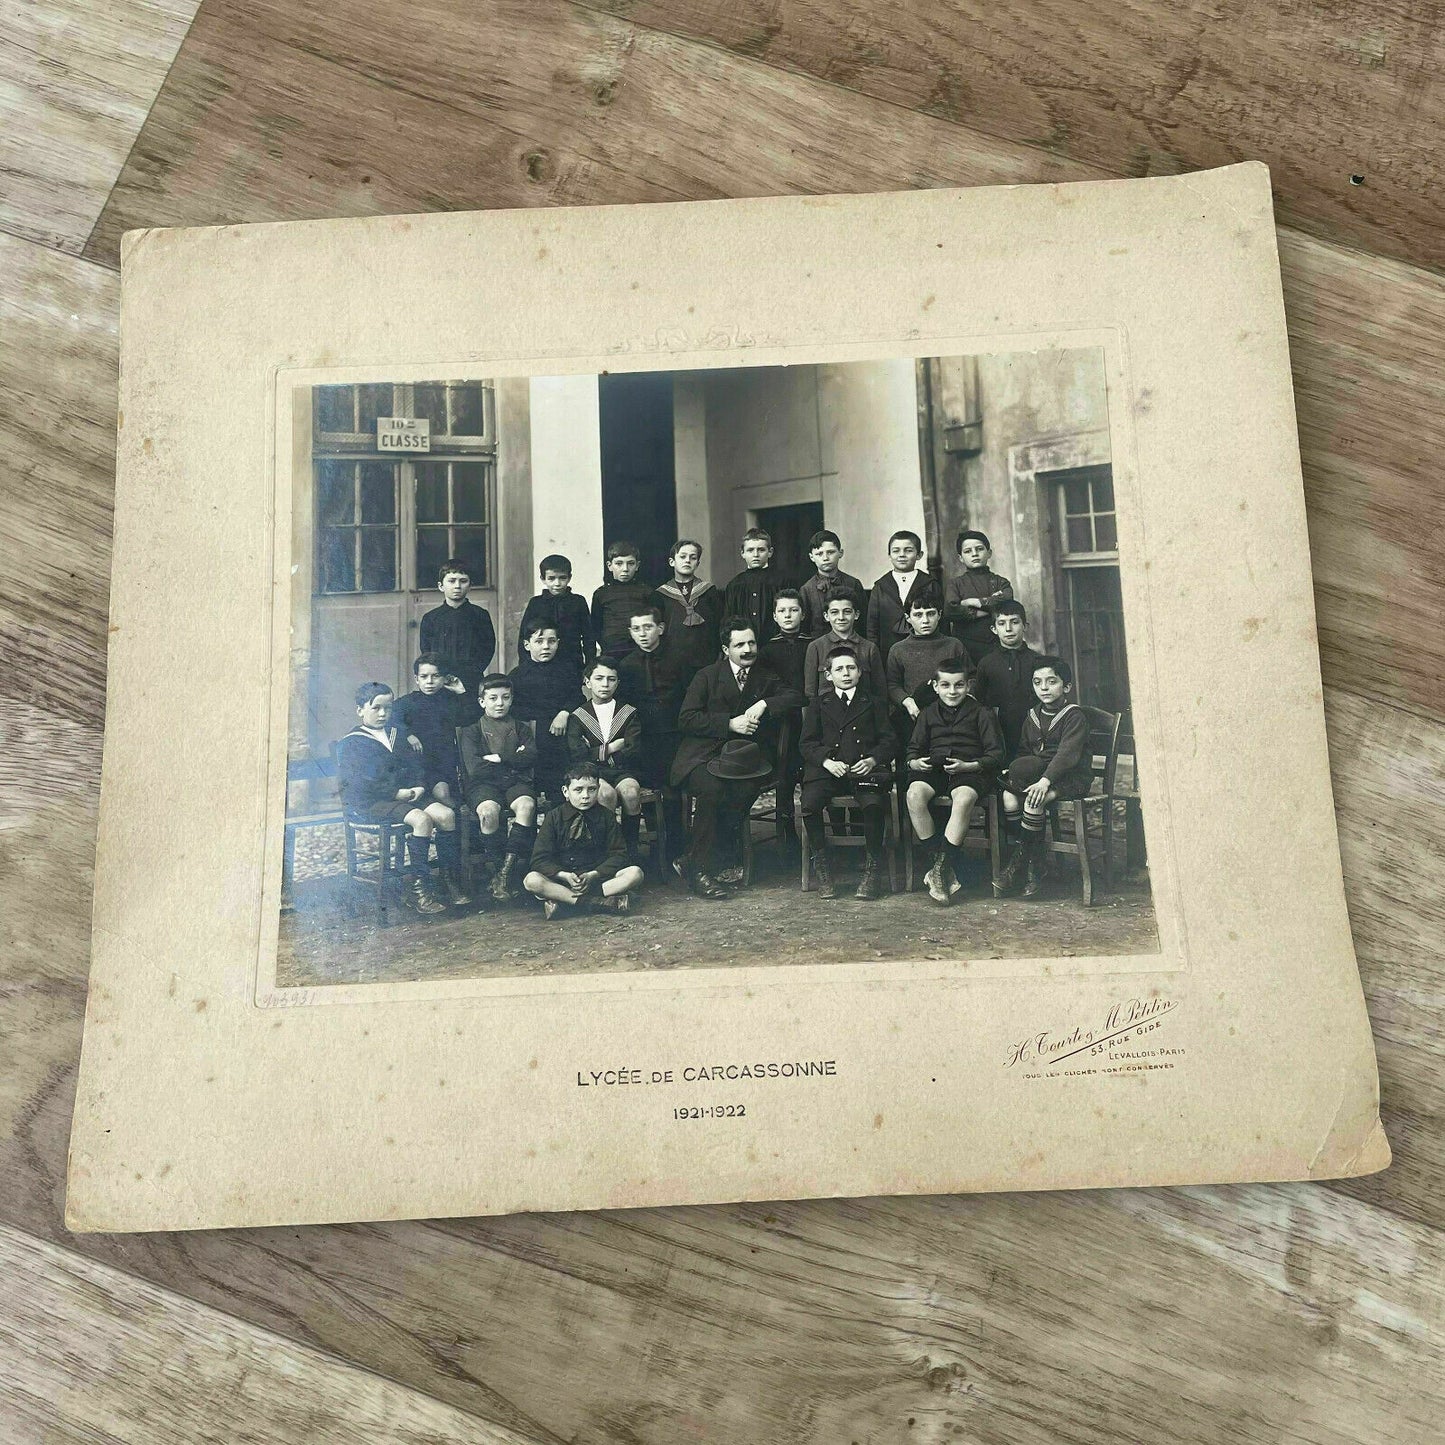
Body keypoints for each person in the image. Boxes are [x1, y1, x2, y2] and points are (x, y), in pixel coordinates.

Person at [670, 618, 805, 898]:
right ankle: (700, 871)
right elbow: (687, 718)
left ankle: (700, 859)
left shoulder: (765, 677)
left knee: (743, 788)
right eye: (739, 644)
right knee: (713, 788)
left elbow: (796, 697)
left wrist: (764, 702)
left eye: (752, 643)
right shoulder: (706, 676)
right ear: (725, 648)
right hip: (703, 755)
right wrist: (730, 724)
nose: (747, 649)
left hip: (744, 760)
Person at [336, 682, 469, 913]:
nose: (383, 713)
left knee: (447, 815)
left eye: (387, 708)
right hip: (374, 801)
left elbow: (415, 764)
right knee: (421, 820)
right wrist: (395, 793)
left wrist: (418, 785)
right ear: (360, 710)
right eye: (376, 708)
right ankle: (418, 890)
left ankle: (449, 882)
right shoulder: (352, 742)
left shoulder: (397, 735)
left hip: (406, 795)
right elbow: (359, 782)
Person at [905, 658, 1005, 905]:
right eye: (946, 686)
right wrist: (914, 763)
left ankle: (938, 871)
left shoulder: (982, 713)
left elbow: (996, 754)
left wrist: (970, 765)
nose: (952, 691)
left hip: (970, 770)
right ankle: (942, 869)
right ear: (935, 686)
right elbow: (913, 749)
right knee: (914, 794)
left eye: (959, 685)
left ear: (968, 686)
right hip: (935, 770)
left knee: (964, 797)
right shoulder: (927, 714)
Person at [800, 645, 895, 901]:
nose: (846, 673)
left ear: (860, 672)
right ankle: (822, 868)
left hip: (862, 769)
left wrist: (874, 759)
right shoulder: (819, 704)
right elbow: (807, 744)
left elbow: (889, 740)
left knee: (874, 805)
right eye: (839, 669)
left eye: (851, 668)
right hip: (829, 771)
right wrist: (826, 761)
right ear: (828, 675)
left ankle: (872, 870)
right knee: (809, 804)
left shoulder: (874, 703)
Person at [997, 656, 1093, 900]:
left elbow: (1067, 756)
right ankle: (1033, 859)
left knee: (1033, 800)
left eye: (1052, 682)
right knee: (1008, 797)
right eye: (1038, 682)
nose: (1044, 688)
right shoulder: (1032, 716)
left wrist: (1044, 782)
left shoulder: (1074, 716)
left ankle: (1026, 867)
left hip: (1070, 777)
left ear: (1067, 687)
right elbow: (1023, 752)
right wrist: (1016, 772)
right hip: (1041, 776)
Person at [617, 604, 689, 868]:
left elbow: (688, 699)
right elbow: (623, 709)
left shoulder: (679, 658)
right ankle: (652, 852)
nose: (643, 634)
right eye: (636, 629)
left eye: (648, 627)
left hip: (674, 737)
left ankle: (676, 852)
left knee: (672, 792)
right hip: (643, 740)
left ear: (660, 628)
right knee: (645, 792)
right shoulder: (626, 666)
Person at [523, 765, 645, 918]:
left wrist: (594, 874)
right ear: (566, 792)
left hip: (597, 880)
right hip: (564, 881)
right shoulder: (554, 817)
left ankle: (568, 905)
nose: (585, 796)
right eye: (578, 790)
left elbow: (619, 855)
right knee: (532, 880)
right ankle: (597, 903)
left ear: (598, 789)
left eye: (592, 789)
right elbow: (539, 859)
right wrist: (564, 875)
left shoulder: (606, 817)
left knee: (635, 873)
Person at [458, 674, 538, 902]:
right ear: (482, 701)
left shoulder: (521, 728)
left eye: (505, 697)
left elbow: (531, 756)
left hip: (515, 782)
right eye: (493, 698)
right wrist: (514, 759)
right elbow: (475, 768)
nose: (499, 703)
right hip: (483, 785)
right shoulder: (472, 731)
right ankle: (497, 871)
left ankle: (504, 874)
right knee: (488, 813)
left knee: (526, 805)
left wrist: (499, 757)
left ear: (512, 700)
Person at [566, 658, 645, 862]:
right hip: (592, 772)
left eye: (611, 679)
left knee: (630, 792)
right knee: (606, 795)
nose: (605, 684)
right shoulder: (578, 716)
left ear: (617, 683)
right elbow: (578, 754)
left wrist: (595, 750)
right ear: (587, 681)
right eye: (599, 678)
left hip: (623, 770)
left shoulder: (628, 712)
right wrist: (611, 748)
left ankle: (630, 848)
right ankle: (607, 851)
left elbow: (634, 749)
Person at [390, 653, 481, 805]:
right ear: (416, 678)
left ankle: (456, 825)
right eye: (424, 676)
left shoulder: (451, 701)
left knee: (444, 794)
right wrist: (408, 734)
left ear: (445, 678)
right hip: (417, 764)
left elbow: (473, 717)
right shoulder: (407, 703)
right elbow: (389, 719)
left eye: (436, 676)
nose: (430, 682)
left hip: (445, 764)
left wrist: (461, 691)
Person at [508, 621, 582, 804]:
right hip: (531, 738)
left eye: (551, 641)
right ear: (527, 645)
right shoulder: (517, 675)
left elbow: (577, 697)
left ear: (558, 642)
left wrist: (564, 713)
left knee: (559, 789)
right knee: (528, 793)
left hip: (560, 740)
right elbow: (513, 708)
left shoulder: (567, 671)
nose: (546, 647)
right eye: (539, 641)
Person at [761, 588, 811, 851]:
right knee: (785, 776)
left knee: (812, 775)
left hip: (810, 719)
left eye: (793, 610)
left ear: (802, 614)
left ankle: (818, 838)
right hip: (782, 724)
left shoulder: (812, 644)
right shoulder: (768, 650)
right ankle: (787, 839)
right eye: (782, 611)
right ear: (774, 616)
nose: (788, 615)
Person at [971, 600, 1044, 758]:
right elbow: (981, 701)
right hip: (999, 733)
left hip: (1031, 732)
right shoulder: (986, 663)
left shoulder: (1038, 661)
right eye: (1002, 623)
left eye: (1015, 622)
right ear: (994, 629)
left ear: (1025, 626)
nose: (1009, 629)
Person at [885, 590, 967, 725]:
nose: (925, 620)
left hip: (952, 714)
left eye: (931, 613)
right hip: (915, 714)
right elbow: (892, 685)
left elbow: (971, 677)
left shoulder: (954, 645)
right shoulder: (898, 649)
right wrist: (908, 702)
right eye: (918, 615)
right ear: (908, 618)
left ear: (939, 614)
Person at [418, 560, 496, 695]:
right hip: (440, 680)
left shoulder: (480, 615)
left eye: (463, 581)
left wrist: (471, 673)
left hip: (471, 680)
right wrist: (440, 674)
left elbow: (487, 648)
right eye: (452, 581)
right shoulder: (431, 618)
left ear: (470, 586)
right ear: (441, 586)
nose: (457, 586)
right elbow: (426, 651)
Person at [651, 538, 723, 682]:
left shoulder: (709, 591)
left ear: (698, 563)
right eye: (682, 556)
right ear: (672, 562)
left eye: (693, 557)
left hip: (704, 658)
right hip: (673, 658)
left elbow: (719, 623)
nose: (687, 560)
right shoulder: (660, 595)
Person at [945, 529, 1014, 665]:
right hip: (966, 646)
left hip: (996, 644)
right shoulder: (956, 584)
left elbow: (1007, 599)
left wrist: (975, 602)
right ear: (960, 558)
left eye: (979, 549)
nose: (975, 554)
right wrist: (989, 609)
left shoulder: (1000, 582)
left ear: (989, 553)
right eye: (968, 551)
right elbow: (950, 611)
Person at [866, 529, 934, 665]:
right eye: (896, 551)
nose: (902, 555)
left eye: (908, 550)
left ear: (919, 555)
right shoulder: (880, 587)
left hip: (924, 648)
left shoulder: (929, 584)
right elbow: (872, 626)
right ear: (889, 555)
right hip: (888, 650)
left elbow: (939, 620)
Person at [517, 554, 595, 673]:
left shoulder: (578, 602)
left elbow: (588, 636)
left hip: (572, 661)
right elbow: (524, 635)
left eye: (562, 578)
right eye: (551, 578)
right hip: (542, 661)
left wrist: (590, 665)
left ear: (569, 578)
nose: (557, 583)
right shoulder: (536, 603)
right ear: (543, 579)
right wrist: (525, 664)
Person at [803, 594, 886, 702]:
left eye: (847, 611)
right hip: (826, 714)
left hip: (863, 713)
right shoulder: (816, 647)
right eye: (834, 612)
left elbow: (880, 692)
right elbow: (810, 693)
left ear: (856, 615)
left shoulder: (869, 648)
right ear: (826, 616)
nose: (841, 617)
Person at [591, 540, 653, 662]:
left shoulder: (647, 592)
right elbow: (595, 627)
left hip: (640, 652)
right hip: (612, 651)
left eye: (630, 563)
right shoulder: (601, 594)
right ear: (609, 565)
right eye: (619, 563)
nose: (625, 569)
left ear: (637, 565)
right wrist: (606, 644)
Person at [798, 529, 867, 639]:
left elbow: (863, 622)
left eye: (830, 552)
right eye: (819, 554)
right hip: (820, 647)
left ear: (840, 552)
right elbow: (804, 627)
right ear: (811, 557)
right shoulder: (806, 590)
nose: (825, 558)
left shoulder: (853, 584)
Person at [722, 527, 784, 644]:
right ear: (742, 553)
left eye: (761, 550)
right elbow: (729, 619)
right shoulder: (735, 584)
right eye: (750, 550)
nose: (755, 554)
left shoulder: (780, 582)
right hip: (744, 644)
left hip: (774, 643)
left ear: (770, 552)